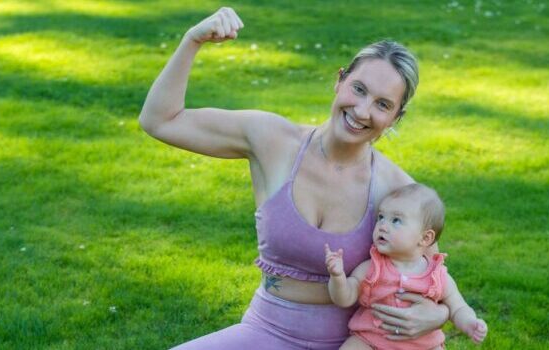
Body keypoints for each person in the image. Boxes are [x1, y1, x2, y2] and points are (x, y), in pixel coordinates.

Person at [140, 7, 449, 349]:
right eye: (358, 89)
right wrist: (192, 40)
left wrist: (439, 314)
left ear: (394, 118)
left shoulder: (398, 189)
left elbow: (433, 277)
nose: (362, 111)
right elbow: (160, 120)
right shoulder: (273, 141)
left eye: (382, 104)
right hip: (267, 332)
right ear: (339, 80)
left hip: (358, 341)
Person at [325, 184, 488, 349]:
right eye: (381, 217)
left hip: (423, 345)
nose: (383, 225)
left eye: (396, 220)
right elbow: (345, 298)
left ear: (425, 238)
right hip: (371, 340)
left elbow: (458, 307)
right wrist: (338, 277)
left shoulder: (437, 276)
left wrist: (470, 323)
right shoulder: (372, 267)